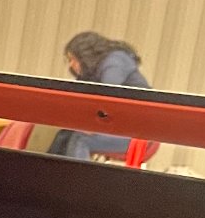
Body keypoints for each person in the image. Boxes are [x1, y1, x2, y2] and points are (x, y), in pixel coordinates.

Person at [51, 31, 153, 160]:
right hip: (121, 129)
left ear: (85, 55)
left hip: (138, 133)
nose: (71, 64)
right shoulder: (94, 72)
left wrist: (93, 126)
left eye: (73, 59)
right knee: (65, 135)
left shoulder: (115, 62)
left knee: (80, 138)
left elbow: (108, 99)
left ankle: (79, 179)